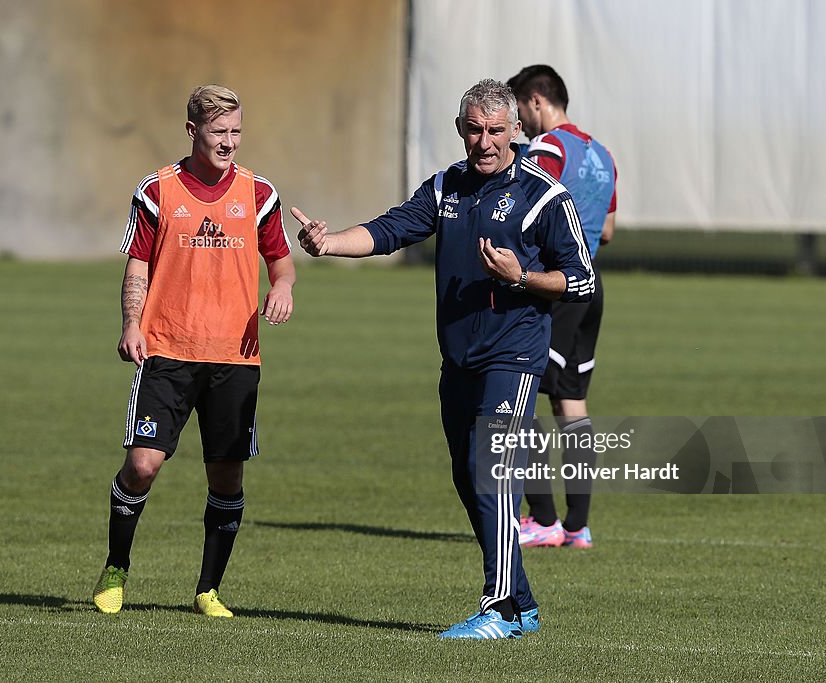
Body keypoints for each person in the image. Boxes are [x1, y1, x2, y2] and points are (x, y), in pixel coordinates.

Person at [293, 79, 594, 639]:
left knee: (491, 474)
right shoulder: (445, 187)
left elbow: (581, 279)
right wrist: (329, 242)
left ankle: (499, 608)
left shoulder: (544, 197)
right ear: (461, 130)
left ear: (516, 131)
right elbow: (390, 229)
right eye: (474, 129)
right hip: (458, 359)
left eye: (496, 131)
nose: (484, 142)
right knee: (467, 478)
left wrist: (521, 277)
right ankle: (523, 605)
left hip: (514, 355)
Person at [92, 84, 296, 617]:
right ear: (192, 131)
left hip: (235, 357)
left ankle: (208, 589)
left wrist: (283, 287)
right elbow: (137, 263)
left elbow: (280, 260)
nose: (229, 143)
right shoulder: (157, 190)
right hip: (166, 350)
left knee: (226, 477)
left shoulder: (259, 193)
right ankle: (116, 568)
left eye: (236, 132)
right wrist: (131, 323)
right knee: (141, 466)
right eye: (218, 132)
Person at [506, 65, 618, 550]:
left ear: (536, 100)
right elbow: (609, 231)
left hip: (555, 288)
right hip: (590, 285)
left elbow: (531, 205)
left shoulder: (548, 149)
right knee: (571, 402)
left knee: (521, 394)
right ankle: (577, 525)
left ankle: (543, 518)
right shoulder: (602, 154)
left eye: (518, 111)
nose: (520, 125)